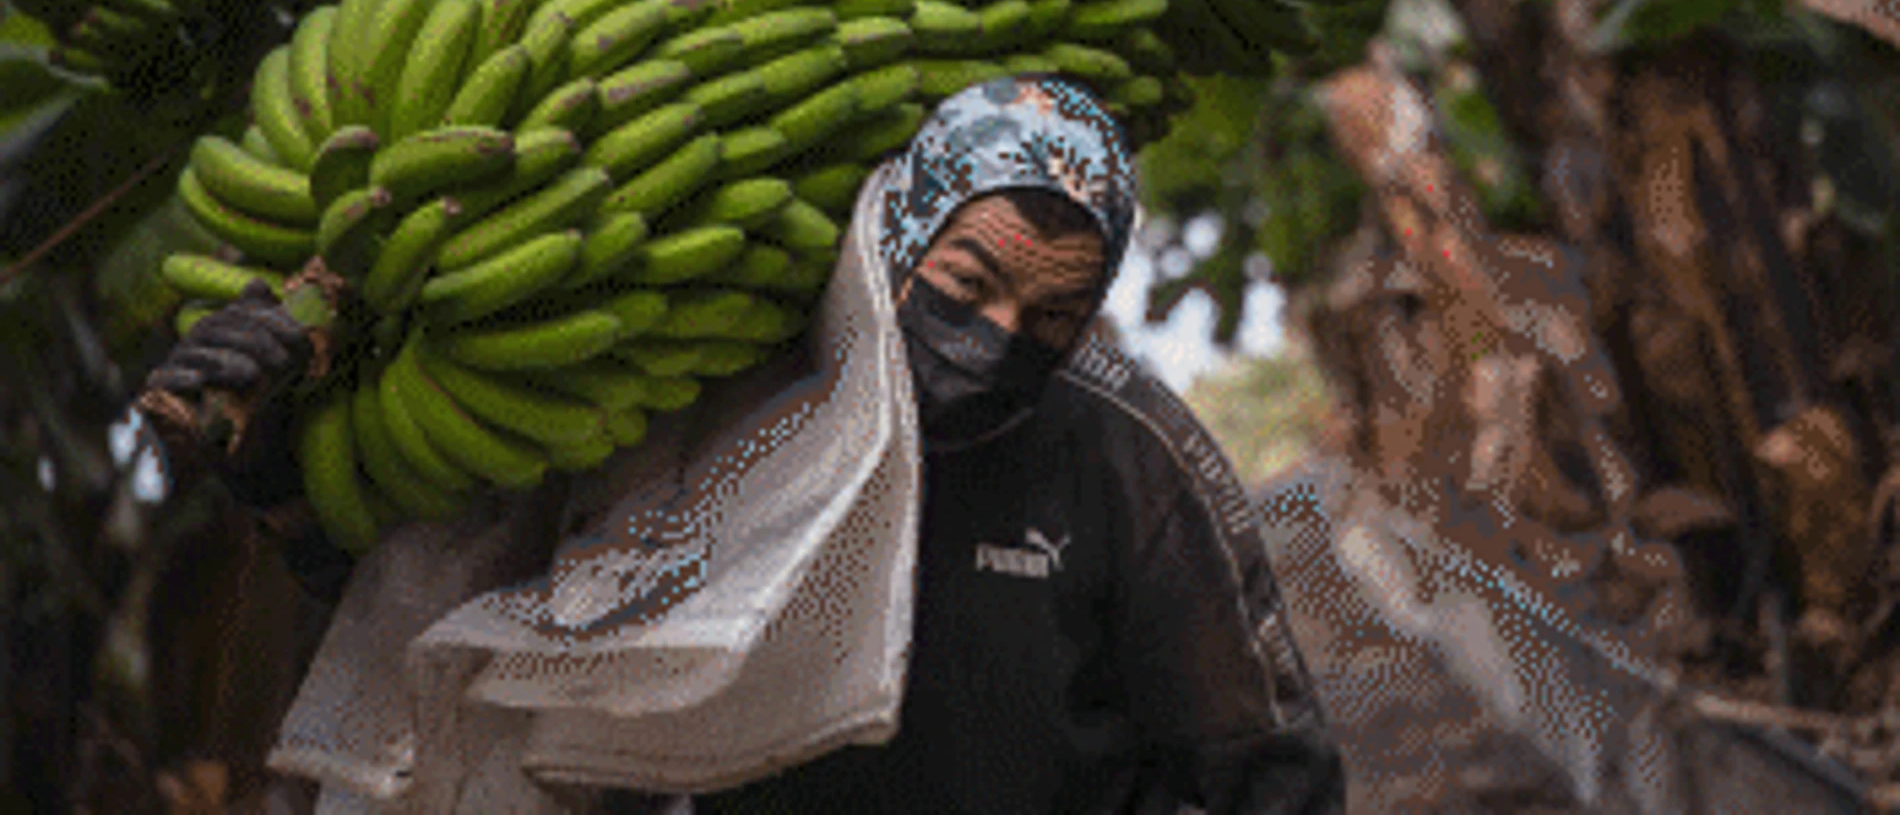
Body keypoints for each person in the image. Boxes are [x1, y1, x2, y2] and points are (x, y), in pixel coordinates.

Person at [144, 75, 1346, 814]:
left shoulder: (1123, 450)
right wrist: (277, 455)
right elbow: (460, 631)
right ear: (897, 234)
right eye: (964, 283)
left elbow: (1267, 757)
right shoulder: (723, 407)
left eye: (1050, 319)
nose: (991, 340)